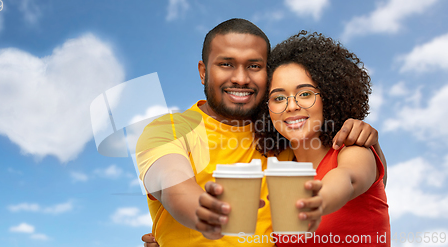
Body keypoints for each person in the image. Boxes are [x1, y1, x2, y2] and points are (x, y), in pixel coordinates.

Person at [137, 19, 386, 247]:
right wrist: (203, 212)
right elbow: (170, 181)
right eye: (226, 64)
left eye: (254, 66)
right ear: (203, 71)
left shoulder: (283, 143)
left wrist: (370, 143)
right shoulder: (170, 130)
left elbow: (356, 179)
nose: (241, 78)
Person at [254, 30, 390, 246]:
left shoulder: (353, 149)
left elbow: (348, 178)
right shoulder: (281, 174)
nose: (291, 106)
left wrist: (319, 200)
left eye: (305, 93)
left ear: (329, 96)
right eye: (279, 97)